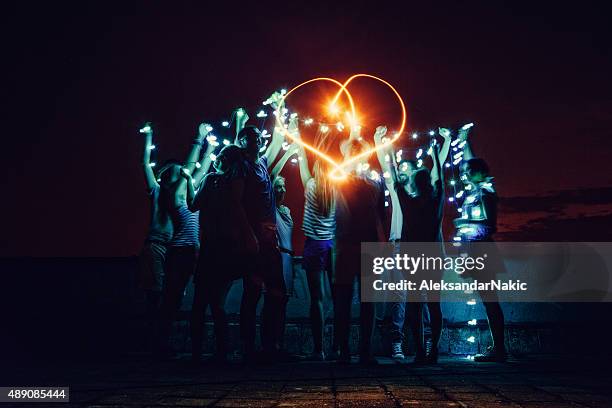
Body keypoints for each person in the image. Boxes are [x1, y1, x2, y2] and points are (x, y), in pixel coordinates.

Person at [374, 127, 451, 361]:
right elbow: (440, 175)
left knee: (415, 304)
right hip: (434, 255)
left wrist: (386, 149)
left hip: (411, 254)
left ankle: (419, 351)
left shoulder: (406, 201)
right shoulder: (436, 201)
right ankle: (433, 350)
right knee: (432, 303)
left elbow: (393, 174)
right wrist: (437, 152)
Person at [155, 122, 213, 358]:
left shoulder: (186, 191)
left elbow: (200, 169)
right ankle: (161, 344)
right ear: (170, 178)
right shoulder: (173, 194)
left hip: (192, 251)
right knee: (172, 297)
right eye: (178, 172)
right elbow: (191, 167)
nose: (184, 172)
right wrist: (198, 139)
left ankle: (165, 343)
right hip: (180, 252)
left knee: (179, 298)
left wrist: (210, 148)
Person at [183, 144, 244, 364]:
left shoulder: (211, 180)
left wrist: (190, 180)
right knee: (218, 304)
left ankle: (197, 352)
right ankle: (222, 352)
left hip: (210, 250)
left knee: (200, 303)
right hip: (228, 249)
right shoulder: (238, 185)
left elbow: (192, 205)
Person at [232, 125, 286, 362]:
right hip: (255, 239)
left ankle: (270, 345)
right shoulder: (241, 167)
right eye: (253, 137)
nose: (258, 140)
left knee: (277, 291)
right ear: (243, 141)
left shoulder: (261, 163)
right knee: (253, 290)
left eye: (259, 136)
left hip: (268, 237)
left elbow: (276, 142)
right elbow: (236, 203)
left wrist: (278, 109)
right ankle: (249, 347)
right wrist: (249, 235)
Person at [454, 128, 506, 362]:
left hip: (482, 250)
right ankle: (498, 348)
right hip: (473, 250)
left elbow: (490, 224)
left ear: (480, 173)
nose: (464, 174)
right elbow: (469, 161)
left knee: (490, 300)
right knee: (487, 300)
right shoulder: (476, 190)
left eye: (468, 172)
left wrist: (465, 221)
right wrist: (465, 142)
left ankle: (499, 349)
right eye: (464, 171)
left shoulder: (485, 193)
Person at [333, 137, 386, 364]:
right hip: (346, 244)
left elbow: (381, 215)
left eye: (360, 151)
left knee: (367, 300)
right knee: (344, 299)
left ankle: (364, 350)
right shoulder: (339, 178)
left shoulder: (375, 182)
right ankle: (344, 350)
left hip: (367, 244)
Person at [288, 126, 337, 361]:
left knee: (316, 299)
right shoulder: (338, 189)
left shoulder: (310, 185)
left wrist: (297, 132)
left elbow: (303, 155)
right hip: (333, 246)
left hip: (314, 246)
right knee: (338, 298)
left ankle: (320, 350)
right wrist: (327, 136)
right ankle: (338, 347)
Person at [138, 123, 174, 352]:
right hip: (155, 247)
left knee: (164, 296)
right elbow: (145, 163)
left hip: (171, 248)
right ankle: (154, 343)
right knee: (156, 295)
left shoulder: (181, 195)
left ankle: (159, 342)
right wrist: (149, 135)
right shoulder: (158, 191)